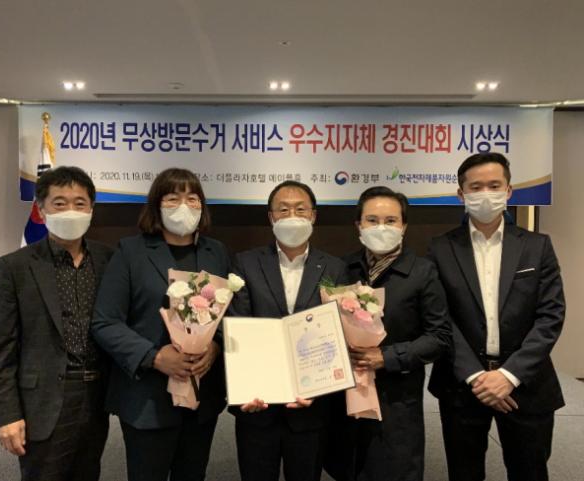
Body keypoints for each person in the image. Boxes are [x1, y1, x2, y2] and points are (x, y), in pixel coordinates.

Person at [428, 152, 566, 481]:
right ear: (461, 194)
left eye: (494, 185)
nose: (486, 194)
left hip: (526, 383)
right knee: (464, 472)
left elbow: (550, 315)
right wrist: (477, 377)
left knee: (529, 471)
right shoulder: (440, 248)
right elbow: (440, 318)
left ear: (509, 191)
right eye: (476, 187)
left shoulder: (537, 246)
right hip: (462, 384)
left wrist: (508, 375)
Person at [91, 168, 229, 481]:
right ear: (156, 205)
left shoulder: (217, 252)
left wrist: (215, 346)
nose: (184, 206)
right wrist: (153, 357)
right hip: (147, 397)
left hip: (202, 396)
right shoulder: (131, 251)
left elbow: (228, 314)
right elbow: (105, 321)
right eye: (173, 198)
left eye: (192, 199)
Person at [0, 166, 113, 481]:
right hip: (43, 399)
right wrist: (6, 414)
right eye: (60, 203)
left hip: (97, 395)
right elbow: (1, 348)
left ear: (91, 210)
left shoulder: (108, 259)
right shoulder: (14, 267)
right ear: (41, 210)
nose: (71, 210)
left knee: (88, 473)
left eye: (79, 203)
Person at [325, 186, 451, 481]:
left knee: (394, 468)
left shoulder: (423, 272)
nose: (381, 227)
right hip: (346, 395)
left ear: (404, 226)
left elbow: (439, 336)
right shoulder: (341, 269)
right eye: (372, 220)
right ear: (358, 225)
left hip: (397, 398)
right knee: (347, 466)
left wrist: (387, 357)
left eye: (391, 220)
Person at [228, 180, 348, 481]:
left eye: (300, 209)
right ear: (271, 217)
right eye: (283, 210)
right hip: (258, 405)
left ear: (313, 215)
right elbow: (238, 325)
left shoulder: (335, 268)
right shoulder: (245, 263)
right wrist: (248, 386)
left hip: (310, 408)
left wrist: (318, 389)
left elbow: (339, 333)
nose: (292, 216)